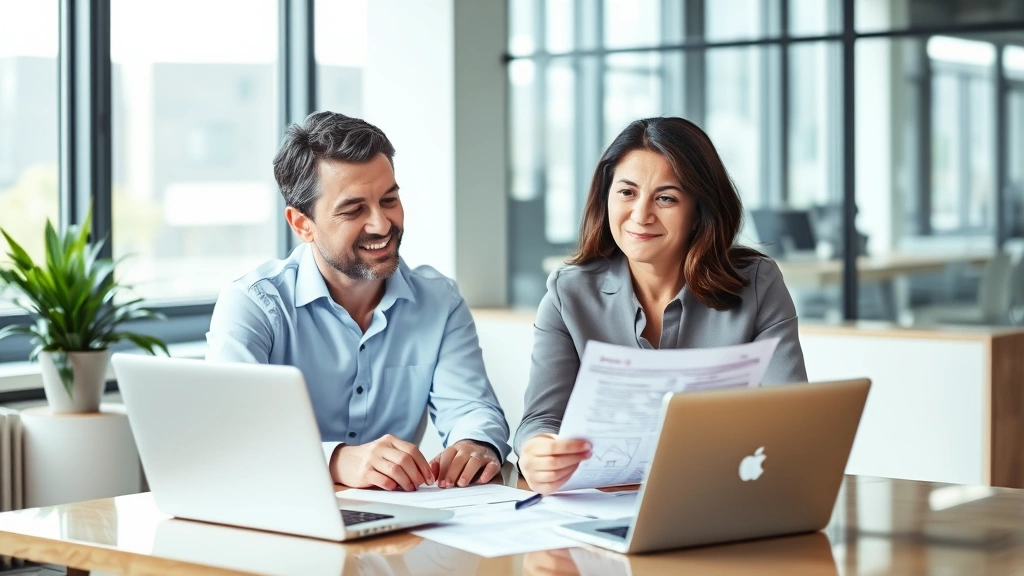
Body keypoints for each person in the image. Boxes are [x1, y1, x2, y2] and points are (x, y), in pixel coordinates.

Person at [207, 111, 510, 491]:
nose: (382, 225)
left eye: (389, 200)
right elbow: (231, 437)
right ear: (302, 224)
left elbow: (471, 408)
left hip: (397, 526)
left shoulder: (439, 301)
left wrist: (475, 443)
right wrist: (336, 460)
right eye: (353, 210)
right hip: (277, 518)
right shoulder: (253, 305)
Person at [515, 117, 808, 494]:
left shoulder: (756, 283)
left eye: (666, 198)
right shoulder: (567, 293)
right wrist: (536, 452)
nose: (641, 215)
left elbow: (792, 419)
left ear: (699, 210)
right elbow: (540, 419)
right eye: (626, 193)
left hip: (721, 496)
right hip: (603, 505)